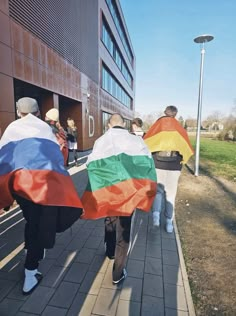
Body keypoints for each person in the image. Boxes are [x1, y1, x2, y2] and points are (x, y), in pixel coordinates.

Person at [0, 97, 83, 295]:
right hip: (41, 185)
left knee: (31, 220)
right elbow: (55, 157)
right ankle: (30, 271)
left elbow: (3, 157)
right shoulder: (44, 128)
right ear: (38, 112)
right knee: (37, 223)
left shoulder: (11, 128)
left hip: (20, 186)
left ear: (18, 112)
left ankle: (31, 249)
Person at [81, 113, 157, 284]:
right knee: (124, 230)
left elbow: (90, 164)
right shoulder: (136, 141)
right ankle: (117, 273)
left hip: (109, 191)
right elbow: (148, 163)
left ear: (109, 125)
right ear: (124, 124)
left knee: (110, 219)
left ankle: (109, 250)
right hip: (128, 192)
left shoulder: (100, 141)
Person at [144, 105, 194, 233]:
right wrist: (183, 161)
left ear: (165, 113)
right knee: (171, 194)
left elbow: (146, 143)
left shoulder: (157, 126)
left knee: (158, 192)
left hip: (157, 164)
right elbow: (186, 148)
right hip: (174, 166)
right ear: (175, 114)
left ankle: (155, 217)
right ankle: (169, 224)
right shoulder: (179, 129)